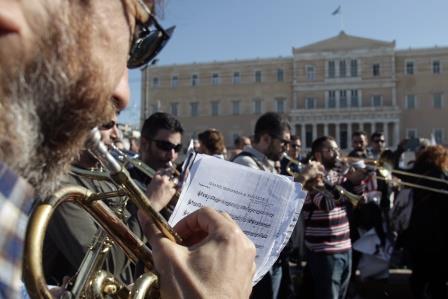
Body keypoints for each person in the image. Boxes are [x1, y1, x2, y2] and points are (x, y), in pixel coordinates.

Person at [0, 1, 256, 298]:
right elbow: (111, 265)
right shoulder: (47, 179)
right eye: (126, 48)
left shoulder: (14, 189)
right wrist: (147, 208)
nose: (123, 95)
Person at [42, 114, 145, 286]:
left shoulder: (105, 177)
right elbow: (105, 266)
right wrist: (147, 211)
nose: (116, 135)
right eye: (107, 125)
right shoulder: (59, 185)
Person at [232, 112, 292, 299]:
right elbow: (264, 205)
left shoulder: (270, 164)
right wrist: (302, 181)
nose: (286, 148)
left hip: (272, 255)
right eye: (284, 142)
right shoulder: (245, 162)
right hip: (253, 258)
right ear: (266, 138)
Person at [302, 136, 366, 299]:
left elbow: (356, 200)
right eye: (331, 150)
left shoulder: (338, 175)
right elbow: (326, 204)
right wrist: (348, 183)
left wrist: (359, 180)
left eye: (337, 150)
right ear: (318, 155)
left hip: (345, 247)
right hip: (324, 250)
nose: (337, 154)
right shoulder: (312, 177)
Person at [405, 145, 448, 299]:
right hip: (438, 237)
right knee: (438, 281)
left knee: (419, 276)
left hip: (417, 234)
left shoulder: (416, 173)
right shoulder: (439, 175)